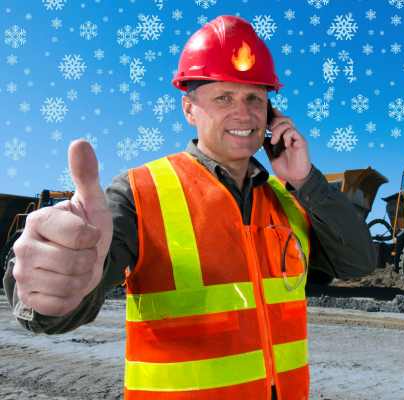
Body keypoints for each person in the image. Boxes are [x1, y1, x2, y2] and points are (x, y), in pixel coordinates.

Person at [3, 15, 376, 400]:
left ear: (272, 115)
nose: (244, 114)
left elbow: (358, 263)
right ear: (189, 109)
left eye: (255, 99)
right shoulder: (140, 191)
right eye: (223, 98)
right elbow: (73, 286)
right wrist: (48, 293)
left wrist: (304, 179)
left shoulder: (288, 198)